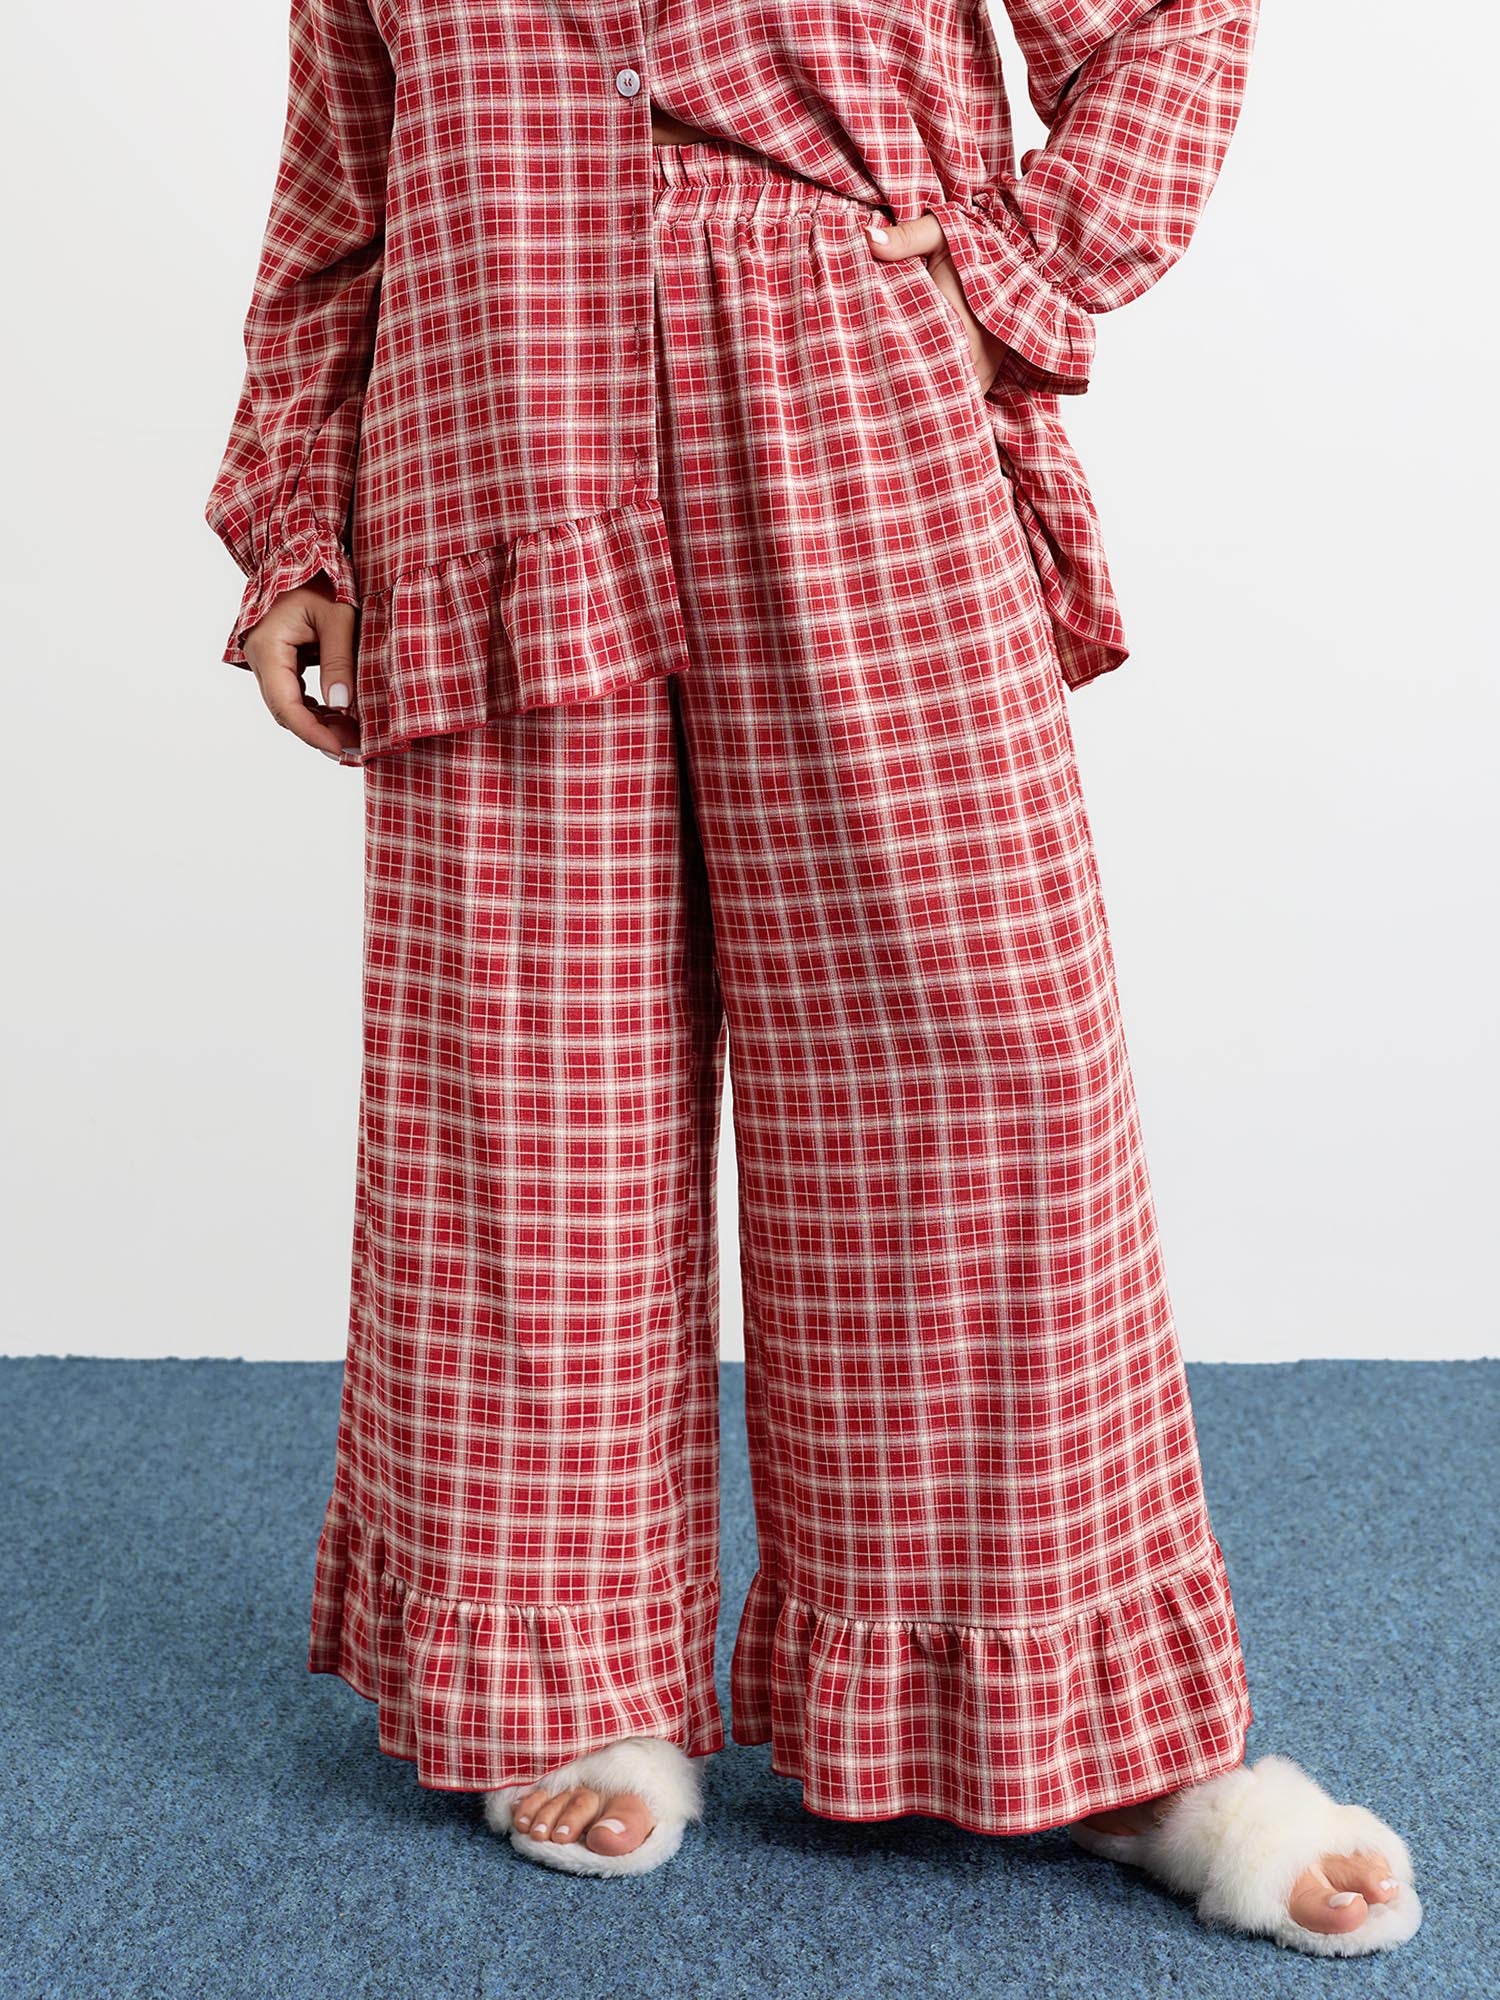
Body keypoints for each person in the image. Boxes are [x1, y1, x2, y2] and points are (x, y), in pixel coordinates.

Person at [205, 0, 1422, 1954]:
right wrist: (291, 523)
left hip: (852, 426)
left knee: (983, 1060)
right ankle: (564, 1668)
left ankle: (1080, 1724)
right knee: (525, 1103)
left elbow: (1170, 18)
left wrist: (1021, 266)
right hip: (493, 455)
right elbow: (336, 207)